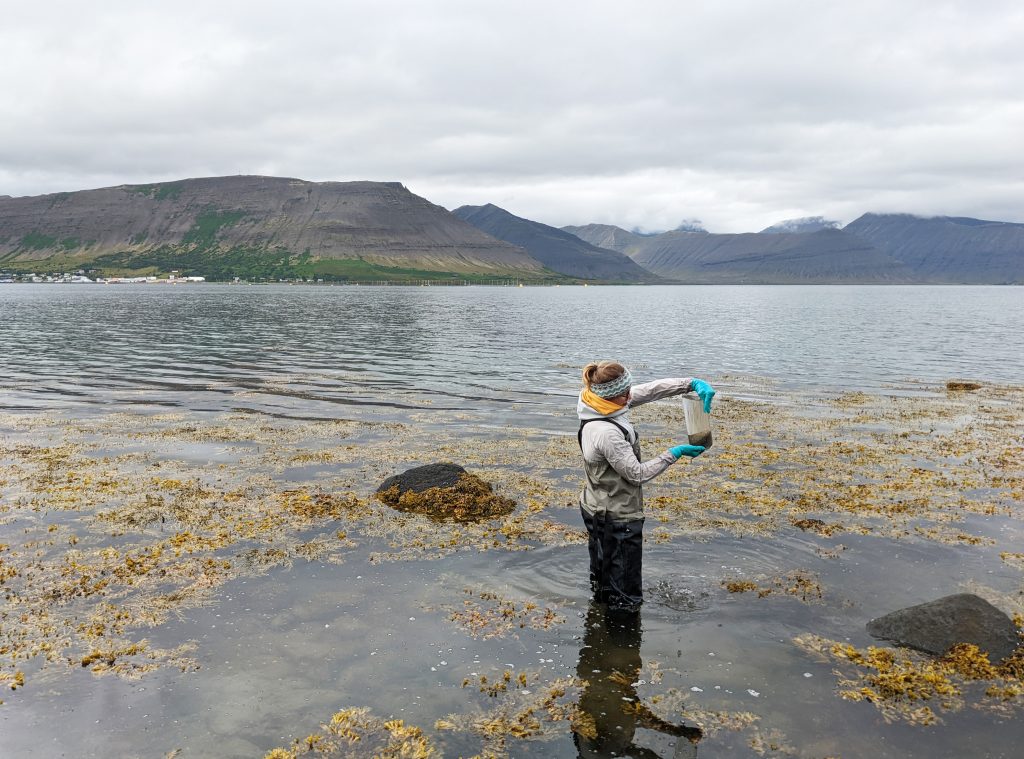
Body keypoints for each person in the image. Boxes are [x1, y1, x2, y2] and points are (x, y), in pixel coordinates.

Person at [577, 361, 715, 614]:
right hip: (617, 518)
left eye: (630, 389)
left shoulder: (594, 400)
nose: (631, 396)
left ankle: (599, 628)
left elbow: (650, 390)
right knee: (626, 598)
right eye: (626, 393)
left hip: (595, 506)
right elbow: (636, 474)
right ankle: (622, 641)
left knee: (603, 580)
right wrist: (674, 453)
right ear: (612, 396)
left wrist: (691, 383)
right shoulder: (607, 433)